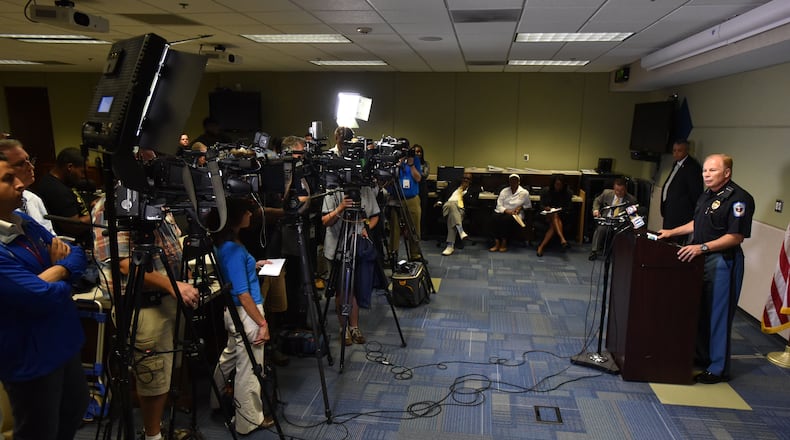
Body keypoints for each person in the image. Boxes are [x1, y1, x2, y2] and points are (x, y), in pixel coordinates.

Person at [92, 150, 199, 440]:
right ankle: (152, 435)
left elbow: (171, 243)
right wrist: (172, 285)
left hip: (166, 299)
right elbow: (124, 263)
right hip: (143, 304)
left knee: (165, 371)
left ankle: (156, 429)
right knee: (152, 375)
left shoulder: (152, 200)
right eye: (148, 161)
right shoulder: (115, 203)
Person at [0, 151, 89, 440]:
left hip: (63, 342)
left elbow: (76, 254)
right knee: (39, 430)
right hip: (31, 356)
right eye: (7, 179)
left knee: (73, 414)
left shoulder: (24, 221)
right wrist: (62, 274)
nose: (20, 184)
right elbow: (40, 297)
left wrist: (57, 272)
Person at [657, 153, 754, 384]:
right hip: (701, 259)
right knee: (700, 311)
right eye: (705, 171)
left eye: (713, 170)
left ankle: (718, 368)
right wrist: (671, 232)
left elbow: (735, 236)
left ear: (727, 173)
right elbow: (697, 223)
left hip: (722, 261)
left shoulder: (739, 199)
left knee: (718, 316)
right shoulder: (707, 195)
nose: (706, 174)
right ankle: (702, 356)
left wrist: (701, 247)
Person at [208, 198, 274, 434]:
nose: (250, 213)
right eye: (245, 210)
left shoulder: (223, 243)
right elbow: (243, 294)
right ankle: (248, 422)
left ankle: (215, 399)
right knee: (249, 369)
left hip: (233, 313)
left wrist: (252, 264)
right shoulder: (234, 249)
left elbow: (233, 271)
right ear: (234, 217)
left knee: (230, 357)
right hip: (247, 313)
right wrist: (262, 323)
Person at [322, 185, 380, 346]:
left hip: (358, 247)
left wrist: (367, 228)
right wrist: (340, 208)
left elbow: (375, 215)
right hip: (337, 248)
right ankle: (344, 328)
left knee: (354, 288)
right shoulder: (332, 191)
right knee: (342, 289)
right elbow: (325, 221)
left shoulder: (366, 190)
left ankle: (354, 327)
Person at [31, 147, 92, 245]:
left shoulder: (62, 182)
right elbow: (74, 226)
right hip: (75, 245)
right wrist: (98, 214)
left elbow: (71, 207)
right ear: (70, 167)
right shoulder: (56, 189)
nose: (84, 176)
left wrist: (92, 206)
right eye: (82, 172)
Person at [0, 139, 54, 234]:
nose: (31, 167)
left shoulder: (33, 198)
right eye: (21, 164)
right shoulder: (5, 207)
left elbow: (51, 236)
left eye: (29, 160)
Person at [661, 140, 703, 243]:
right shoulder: (676, 164)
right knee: (665, 239)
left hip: (681, 216)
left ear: (687, 151)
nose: (675, 153)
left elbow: (696, 193)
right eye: (674, 150)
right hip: (669, 212)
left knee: (675, 244)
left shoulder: (692, 167)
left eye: (679, 150)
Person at [388, 138, 423, 261]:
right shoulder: (392, 160)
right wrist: (397, 164)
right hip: (395, 197)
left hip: (411, 199)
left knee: (414, 227)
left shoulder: (415, 160)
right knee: (394, 228)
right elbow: (388, 180)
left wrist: (411, 165)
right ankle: (393, 254)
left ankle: (415, 254)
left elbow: (418, 178)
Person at [589, 177, 637, 260]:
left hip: (620, 223)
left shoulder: (631, 199)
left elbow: (632, 214)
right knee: (600, 229)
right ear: (614, 188)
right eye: (616, 190)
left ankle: (620, 253)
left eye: (621, 190)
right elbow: (597, 201)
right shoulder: (607, 193)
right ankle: (594, 251)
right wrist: (596, 210)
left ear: (625, 189)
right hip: (606, 219)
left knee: (623, 233)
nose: (618, 193)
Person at [489, 173, 531, 253]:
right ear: (509, 181)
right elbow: (499, 205)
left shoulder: (524, 192)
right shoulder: (504, 191)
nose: (513, 182)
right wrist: (507, 211)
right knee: (494, 218)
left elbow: (528, 206)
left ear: (519, 182)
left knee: (506, 220)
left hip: (516, 214)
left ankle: (504, 243)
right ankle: (497, 242)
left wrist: (520, 207)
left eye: (515, 180)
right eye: (511, 180)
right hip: (504, 211)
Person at [536, 175, 573, 257]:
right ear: (553, 184)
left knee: (554, 222)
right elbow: (540, 205)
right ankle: (562, 239)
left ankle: (541, 247)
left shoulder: (567, 193)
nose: (558, 186)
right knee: (554, 217)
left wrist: (560, 209)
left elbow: (568, 207)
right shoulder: (546, 191)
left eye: (560, 184)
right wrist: (546, 208)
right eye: (557, 184)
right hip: (546, 215)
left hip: (561, 215)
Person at [440, 173, 471, 256]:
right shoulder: (453, 185)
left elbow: (473, 202)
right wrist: (439, 201)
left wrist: (464, 191)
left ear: (470, 181)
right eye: (464, 178)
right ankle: (461, 231)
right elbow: (442, 193)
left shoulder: (473, 189)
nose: (465, 180)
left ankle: (450, 246)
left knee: (452, 218)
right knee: (452, 204)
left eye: (468, 179)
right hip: (447, 207)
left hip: (460, 210)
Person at [413, 144, 430, 234]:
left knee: (423, 211)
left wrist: (415, 168)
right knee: (413, 212)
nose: (417, 153)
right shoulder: (409, 163)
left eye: (419, 152)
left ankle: (422, 232)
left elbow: (425, 175)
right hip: (413, 188)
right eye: (415, 152)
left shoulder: (425, 164)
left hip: (422, 188)